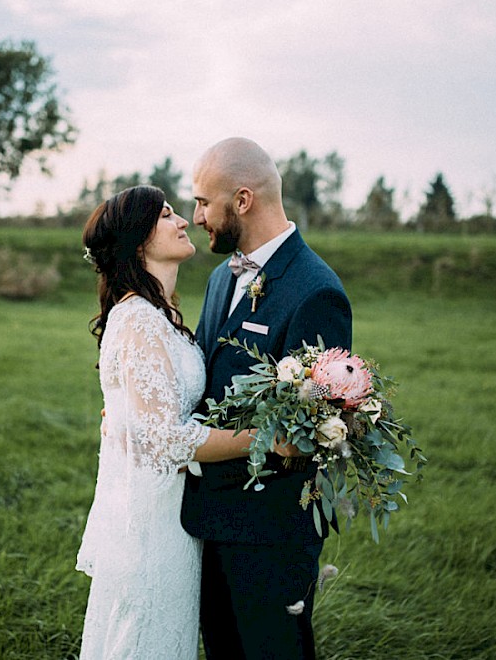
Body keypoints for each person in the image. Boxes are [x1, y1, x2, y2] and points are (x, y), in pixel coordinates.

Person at [76, 185, 293, 659]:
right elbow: (163, 440)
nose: (184, 221)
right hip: (153, 520)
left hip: (175, 510)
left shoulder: (161, 313)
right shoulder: (138, 320)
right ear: (138, 240)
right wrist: (264, 440)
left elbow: (152, 415)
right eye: (167, 214)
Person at [181, 138, 353, 659]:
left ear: (242, 200)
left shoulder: (316, 291)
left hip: (270, 536)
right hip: (208, 520)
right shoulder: (218, 279)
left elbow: (315, 428)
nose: (194, 217)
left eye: (203, 203)